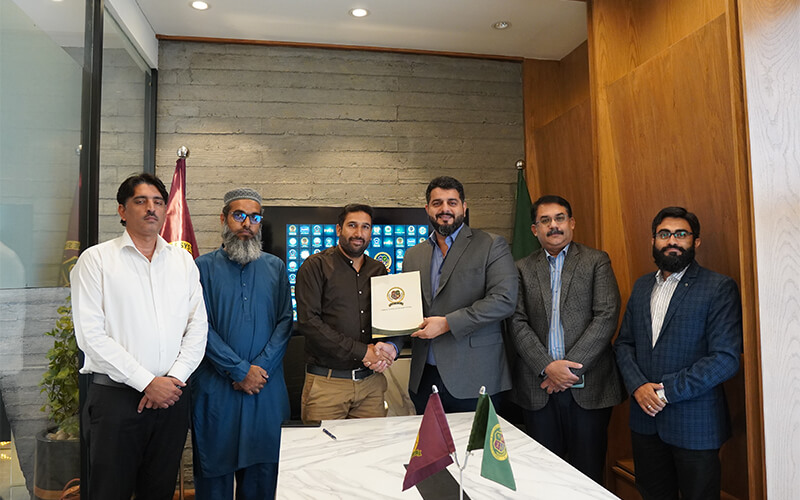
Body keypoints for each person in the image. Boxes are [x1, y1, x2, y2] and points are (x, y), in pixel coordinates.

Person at [71, 173, 207, 500]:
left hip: (171, 400)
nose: (151, 208)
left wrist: (172, 380)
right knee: (109, 492)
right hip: (117, 402)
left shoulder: (182, 261)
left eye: (158, 202)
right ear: (122, 210)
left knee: (159, 491)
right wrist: (147, 382)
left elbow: (197, 327)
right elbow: (91, 336)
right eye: (141, 201)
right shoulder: (96, 260)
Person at [614, 206, 742, 500]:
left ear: (695, 241)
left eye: (681, 234)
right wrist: (637, 387)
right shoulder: (643, 285)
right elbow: (624, 344)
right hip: (645, 423)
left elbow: (725, 358)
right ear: (653, 240)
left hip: (695, 425)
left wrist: (663, 392)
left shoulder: (718, 287)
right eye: (664, 234)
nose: (672, 240)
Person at [507, 195, 623, 484]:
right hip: (538, 388)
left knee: (587, 475)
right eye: (545, 221)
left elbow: (606, 316)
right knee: (544, 477)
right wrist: (547, 367)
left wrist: (567, 371)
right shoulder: (520, 267)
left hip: (589, 387)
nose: (553, 226)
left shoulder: (597, 261)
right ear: (534, 229)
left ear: (571, 223)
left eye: (559, 218)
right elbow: (516, 321)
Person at [191, 188, 292, 499]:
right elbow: (198, 327)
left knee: (264, 478)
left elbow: (285, 321)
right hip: (217, 392)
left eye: (255, 217)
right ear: (224, 219)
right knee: (214, 478)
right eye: (239, 215)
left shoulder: (275, 267)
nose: (247, 223)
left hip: (266, 388)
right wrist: (238, 370)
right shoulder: (200, 267)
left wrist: (259, 367)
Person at [402, 176, 518, 414]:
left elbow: (504, 300)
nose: (445, 209)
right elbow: (406, 310)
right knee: (431, 451)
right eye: (437, 203)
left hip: (475, 378)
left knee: (475, 451)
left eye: (452, 202)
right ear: (427, 209)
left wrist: (447, 324)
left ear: (464, 207)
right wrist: (391, 345)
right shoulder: (413, 255)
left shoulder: (491, 245)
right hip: (424, 379)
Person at [295, 204, 395, 421]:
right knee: (324, 453)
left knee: (373, 452)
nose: (359, 233)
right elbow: (309, 322)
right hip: (327, 385)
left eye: (365, 227)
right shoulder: (315, 266)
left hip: (371, 384)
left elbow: (389, 317)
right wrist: (362, 351)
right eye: (352, 226)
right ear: (339, 229)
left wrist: (388, 348)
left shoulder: (378, 270)